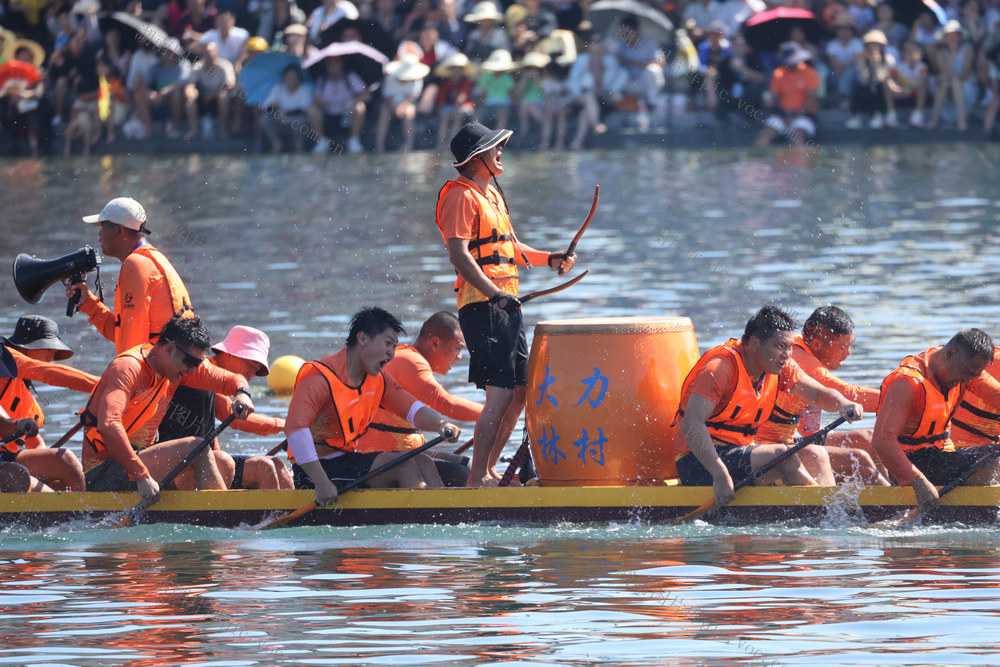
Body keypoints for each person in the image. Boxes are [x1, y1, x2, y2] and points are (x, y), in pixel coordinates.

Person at [435, 122, 576, 487]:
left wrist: (550, 258)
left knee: (519, 393)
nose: (501, 152)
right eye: (495, 147)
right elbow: (459, 255)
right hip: (482, 305)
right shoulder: (459, 195)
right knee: (498, 393)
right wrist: (493, 294)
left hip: (507, 305)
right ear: (474, 158)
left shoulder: (492, 195)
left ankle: (491, 470)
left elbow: (509, 247)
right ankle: (477, 477)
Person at [674, 306, 864, 507]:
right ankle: (825, 514)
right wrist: (719, 474)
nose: (786, 354)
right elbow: (692, 425)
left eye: (790, 347)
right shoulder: (718, 369)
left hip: (740, 452)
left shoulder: (780, 366)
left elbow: (817, 393)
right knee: (783, 457)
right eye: (780, 346)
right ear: (755, 343)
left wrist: (843, 403)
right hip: (700, 462)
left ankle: (828, 511)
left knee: (815, 455)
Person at [284, 307, 461, 505]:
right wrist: (321, 482)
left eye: (394, 346)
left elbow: (413, 409)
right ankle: (429, 523)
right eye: (387, 343)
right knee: (404, 467)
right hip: (313, 472)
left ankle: (445, 515)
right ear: (362, 338)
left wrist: (441, 424)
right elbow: (295, 430)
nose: (391, 353)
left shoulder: (378, 379)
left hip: (346, 460)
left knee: (423, 461)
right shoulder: (318, 378)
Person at [81, 315, 255, 502]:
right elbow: (109, 425)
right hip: (103, 470)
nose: (193, 370)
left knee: (223, 461)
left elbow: (227, 379)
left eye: (198, 363)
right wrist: (141, 476)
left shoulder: (176, 367)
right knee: (195, 446)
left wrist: (242, 392)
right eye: (191, 363)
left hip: (139, 460)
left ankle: (203, 518)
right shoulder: (128, 368)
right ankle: (223, 518)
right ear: (169, 349)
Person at [755, 306, 887, 485]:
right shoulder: (799, 360)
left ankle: (887, 496)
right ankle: (892, 509)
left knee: (869, 440)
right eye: (844, 346)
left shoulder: (804, 348)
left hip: (793, 439)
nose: (848, 353)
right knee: (859, 458)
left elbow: (807, 429)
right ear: (817, 344)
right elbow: (850, 394)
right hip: (767, 447)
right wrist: (904, 402)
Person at [873, 329, 1000, 514]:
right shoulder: (906, 383)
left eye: (973, 376)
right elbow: (882, 441)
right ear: (950, 353)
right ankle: (979, 516)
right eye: (967, 373)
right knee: (994, 459)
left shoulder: (966, 369)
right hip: (911, 464)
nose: (967, 380)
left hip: (940, 457)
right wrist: (918, 482)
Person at [355, 312, 482, 486]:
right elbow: (445, 403)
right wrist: (494, 414)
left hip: (405, 453)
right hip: (377, 458)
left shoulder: (411, 359)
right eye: (458, 348)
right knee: (460, 473)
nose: (459, 357)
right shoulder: (409, 360)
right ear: (435, 343)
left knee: (466, 465)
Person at [157, 325, 290, 490]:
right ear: (228, 354)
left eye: (256, 370)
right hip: (176, 466)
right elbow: (235, 418)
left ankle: (282, 515)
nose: (252, 373)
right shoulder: (196, 371)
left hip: (205, 460)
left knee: (276, 465)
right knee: (264, 468)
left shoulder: (220, 383)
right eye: (250, 364)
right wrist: (284, 425)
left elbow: (211, 431)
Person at [67, 196, 194, 355]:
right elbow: (123, 334)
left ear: (120, 230)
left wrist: (124, 377)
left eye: (103, 226)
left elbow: (132, 346)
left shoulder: (136, 264)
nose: (99, 234)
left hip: (159, 374)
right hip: (169, 368)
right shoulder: (152, 259)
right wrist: (88, 302)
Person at [0, 315, 96, 491]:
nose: (52, 356)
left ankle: (79, 512)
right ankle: (85, 515)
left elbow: (34, 443)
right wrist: (104, 385)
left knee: (60, 475)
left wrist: (43, 456)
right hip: (7, 466)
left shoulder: (23, 391)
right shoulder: (5, 357)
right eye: (49, 349)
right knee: (65, 459)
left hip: (8, 459)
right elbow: (47, 372)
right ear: (27, 346)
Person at [754, 42, 820, 147]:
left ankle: (798, 162)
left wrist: (795, 116)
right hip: (782, 115)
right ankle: (760, 162)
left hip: (804, 115)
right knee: (765, 135)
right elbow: (773, 96)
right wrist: (768, 102)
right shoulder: (778, 73)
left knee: (798, 136)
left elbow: (812, 99)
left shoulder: (810, 73)